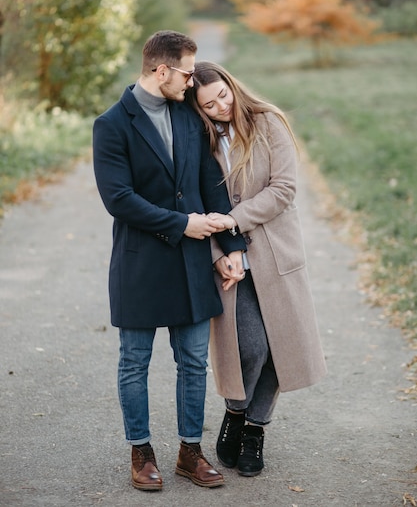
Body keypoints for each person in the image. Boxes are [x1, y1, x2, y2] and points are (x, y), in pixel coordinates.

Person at [92, 32, 246, 491]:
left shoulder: (188, 115)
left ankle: (189, 453)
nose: (191, 80)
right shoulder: (112, 124)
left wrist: (233, 244)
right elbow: (118, 199)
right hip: (140, 265)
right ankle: (141, 453)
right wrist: (182, 224)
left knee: (194, 362)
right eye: (185, 72)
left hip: (192, 264)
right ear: (161, 70)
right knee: (135, 361)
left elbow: (210, 182)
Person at [185, 60, 327, 477]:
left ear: (232, 85)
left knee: (280, 350)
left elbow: (283, 189)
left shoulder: (268, 123)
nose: (220, 107)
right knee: (250, 348)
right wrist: (218, 250)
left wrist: (235, 219)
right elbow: (196, 199)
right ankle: (235, 410)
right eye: (209, 105)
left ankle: (255, 431)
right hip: (231, 262)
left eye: (223, 95)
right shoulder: (201, 139)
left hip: (276, 254)